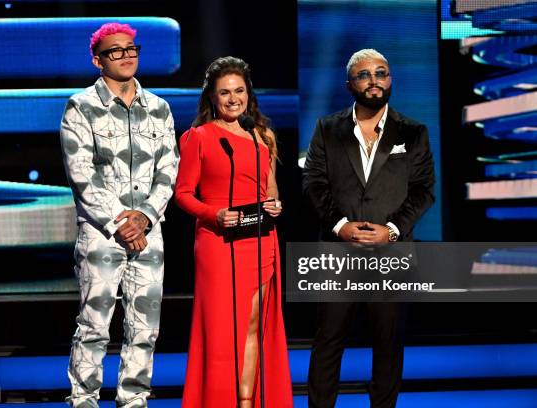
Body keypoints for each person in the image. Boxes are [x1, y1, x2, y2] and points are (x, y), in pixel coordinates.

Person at [303, 48, 435, 408]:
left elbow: (424, 191)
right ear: (349, 84)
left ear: (390, 80)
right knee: (328, 341)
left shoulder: (414, 131)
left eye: (381, 73)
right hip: (336, 254)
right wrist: (341, 226)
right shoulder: (327, 128)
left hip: (391, 253)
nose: (374, 80)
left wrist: (391, 230)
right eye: (364, 75)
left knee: (388, 342)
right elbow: (314, 184)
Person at [60, 22, 179, 408]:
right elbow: (82, 175)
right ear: (98, 60)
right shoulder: (80, 107)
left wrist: (144, 217)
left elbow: (168, 169)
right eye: (116, 51)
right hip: (101, 233)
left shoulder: (159, 109)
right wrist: (121, 223)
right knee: (94, 325)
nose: (127, 55)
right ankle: (84, 399)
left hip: (149, 232)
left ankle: (134, 399)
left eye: (131, 48)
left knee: (145, 327)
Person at [175, 56, 293, 408]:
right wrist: (214, 214)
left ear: (248, 93)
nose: (232, 99)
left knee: (254, 325)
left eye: (238, 91)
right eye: (224, 92)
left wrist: (275, 206)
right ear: (212, 97)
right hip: (217, 243)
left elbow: (270, 193)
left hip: (260, 244)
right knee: (224, 332)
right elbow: (182, 194)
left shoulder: (263, 136)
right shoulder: (198, 137)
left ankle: (245, 401)